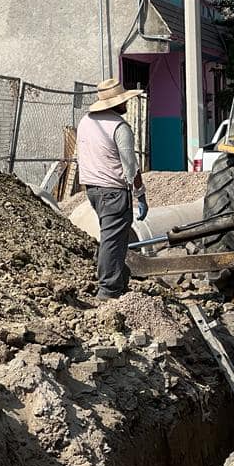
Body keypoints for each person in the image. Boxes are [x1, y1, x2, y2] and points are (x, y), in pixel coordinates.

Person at [77, 78, 148, 301]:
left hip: (93, 190)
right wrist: (140, 194)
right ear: (116, 104)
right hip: (114, 191)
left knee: (111, 236)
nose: (126, 104)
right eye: (123, 100)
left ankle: (120, 279)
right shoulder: (119, 127)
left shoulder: (86, 121)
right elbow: (131, 167)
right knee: (113, 239)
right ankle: (108, 290)